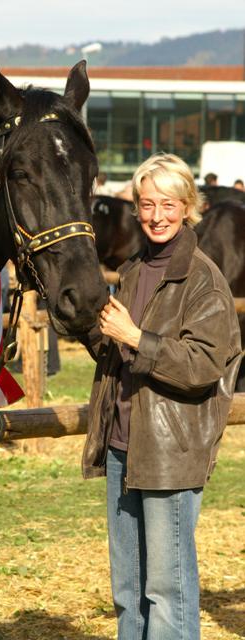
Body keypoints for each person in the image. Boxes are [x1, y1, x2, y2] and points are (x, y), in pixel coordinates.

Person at [81, 153, 242, 640]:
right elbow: (116, 351)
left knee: (167, 590)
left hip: (171, 451)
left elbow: (203, 366)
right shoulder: (133, 268)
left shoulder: (203, 278)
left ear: (189, 206)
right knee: (128, 589)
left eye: (168, 204)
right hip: (121, 445)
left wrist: (134, 337)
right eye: (148, 204)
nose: (156, 216)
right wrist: (89, 325)